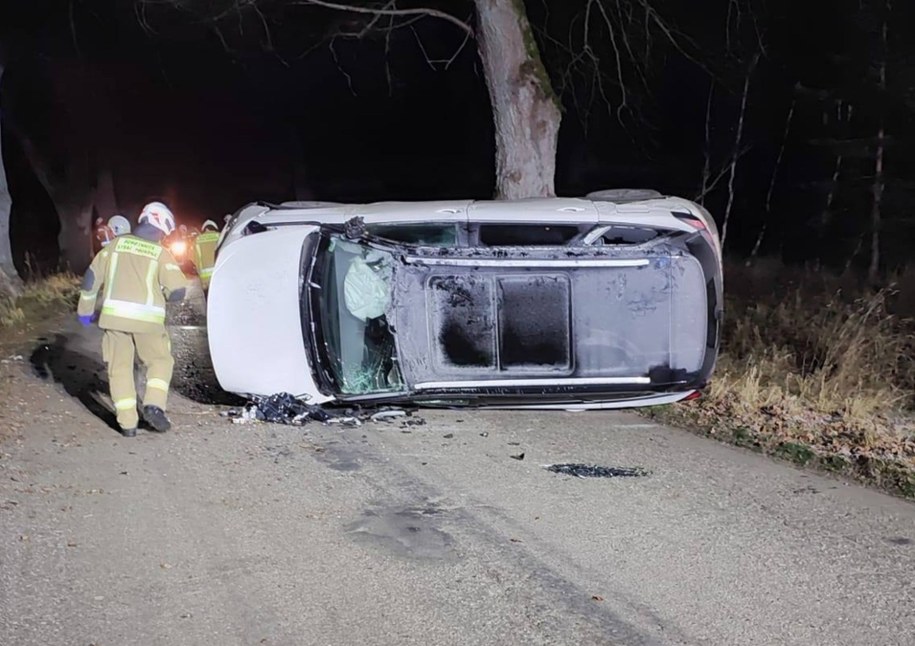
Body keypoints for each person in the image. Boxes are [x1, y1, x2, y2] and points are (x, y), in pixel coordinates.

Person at [77, 201, 189, 437]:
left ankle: (127, 424)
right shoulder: (161, 253)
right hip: (148, 323)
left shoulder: (115, 246)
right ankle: (154, 404)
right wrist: (166, 295)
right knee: (160, 361)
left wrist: (85, 311)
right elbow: (178, 290)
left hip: (115, 321)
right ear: (161, 224)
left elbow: (91, 278)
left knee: (119, 368)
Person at [194, 219, 221, 292]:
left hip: (205, 280)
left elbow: (195, 259)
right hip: (220, 275)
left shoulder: (197, 240)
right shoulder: (220, 236)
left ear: (206, 229)